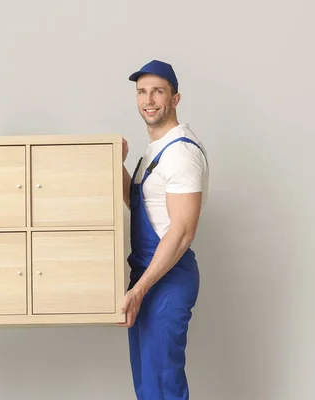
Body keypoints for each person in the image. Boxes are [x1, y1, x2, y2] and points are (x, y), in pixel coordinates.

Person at [119, 59, 209, 400]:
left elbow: (183, 232)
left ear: (175, 98)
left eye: (158, 91)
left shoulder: (181, 152)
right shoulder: (155, 150)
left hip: (167, 279)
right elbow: (141, 204)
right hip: (146, 274)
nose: (149, 99)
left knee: (164, 385)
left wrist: (140, 290)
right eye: (142, 91)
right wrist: (116, 162)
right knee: (148, 385)